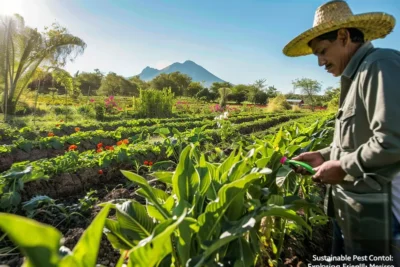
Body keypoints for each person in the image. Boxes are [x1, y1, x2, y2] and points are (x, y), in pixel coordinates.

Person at [282, 0, 400, 265]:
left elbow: (393, 140)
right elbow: (360, 139)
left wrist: (343, 167)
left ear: (344, 36)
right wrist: (324, 156)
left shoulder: (380, 65)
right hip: (354, 210)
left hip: (381, 217)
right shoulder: (355, 76)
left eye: (323, 51)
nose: (321, 62)